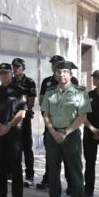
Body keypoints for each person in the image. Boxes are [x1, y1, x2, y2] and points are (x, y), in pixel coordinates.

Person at [40, 61, 91, 197]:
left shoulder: (80, 92)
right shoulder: (50, 92)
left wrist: (66, 132)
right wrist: (53, 132)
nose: (61, 75)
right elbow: (45, 114)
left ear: (70, 74)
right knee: (53, 172)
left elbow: (82, 117)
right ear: (54, 74)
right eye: (58, 72)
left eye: (64, 72)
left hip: (71, 136)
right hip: (53, 136)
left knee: (75, 173)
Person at [0, 63, 27, 197]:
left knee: (15, 165)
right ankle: (0, 193)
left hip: (14, 133)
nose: (3, 75)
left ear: (11, 74)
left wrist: (8, 126)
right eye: (1, 73)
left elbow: (22, 113)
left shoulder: (19, 90)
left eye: (6, 73)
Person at [36, 55, 79, 190]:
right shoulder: (46, 82)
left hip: (68, 127)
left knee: (69, 159)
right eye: (53, 64)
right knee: (51, 156)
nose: (55, 66)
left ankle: (71, 183)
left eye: (58, 63)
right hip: (51, 124)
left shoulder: (73, 81)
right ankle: (47, 179)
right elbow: (42, 101)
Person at [11, 57, 37, 187]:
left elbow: (31, 101)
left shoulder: (30, 82)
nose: (15, 69)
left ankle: (30, 175)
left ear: (23, 68)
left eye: (17, 67)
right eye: (13, 67)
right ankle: (12, 173)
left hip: (24, 118)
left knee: (27, 147)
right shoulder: (11, 81)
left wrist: (24, 111)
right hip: (11, 119)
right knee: (13, 147)